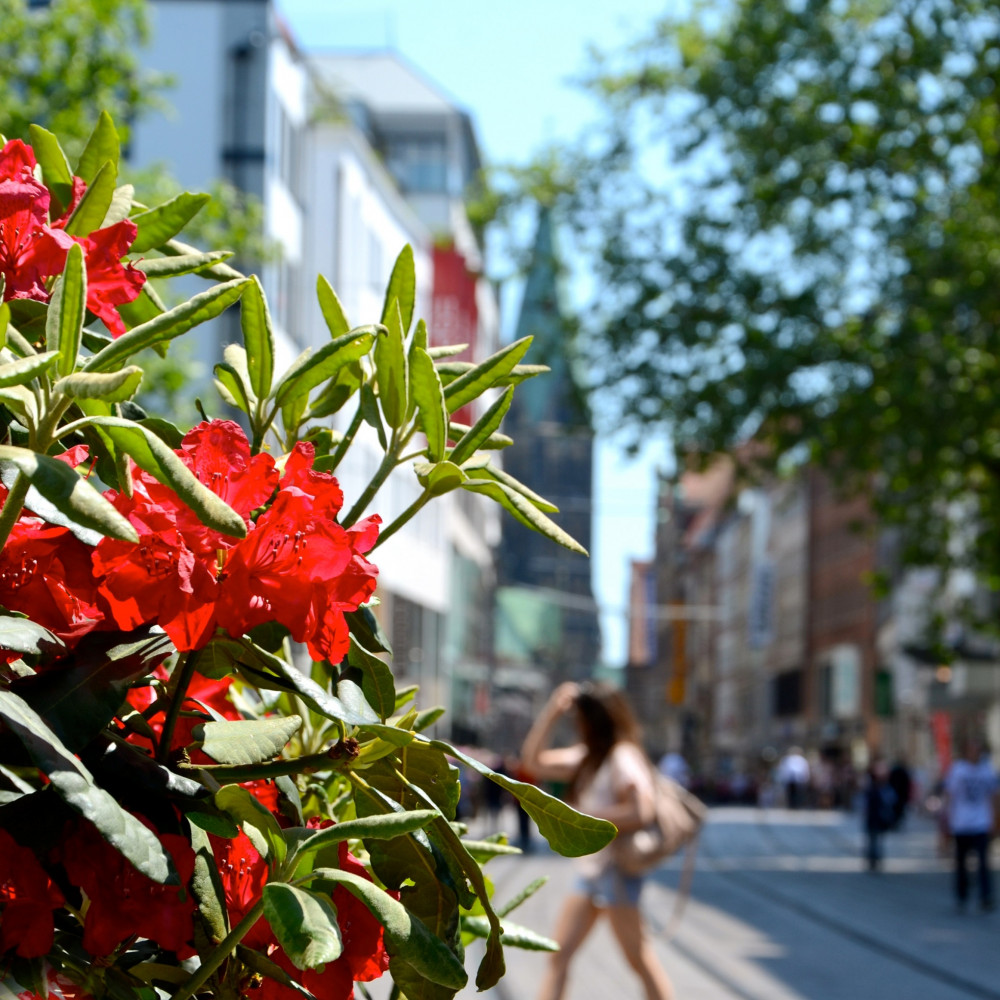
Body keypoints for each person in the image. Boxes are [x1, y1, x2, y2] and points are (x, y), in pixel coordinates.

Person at [520, 681, 675, 1000]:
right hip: (592, 874)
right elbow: (532, 761)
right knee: (559, 956)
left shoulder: (622, 756)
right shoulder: (590, 757)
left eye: (581, 719)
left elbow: (641, 810)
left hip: (616, 873)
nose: (577, 724)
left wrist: (586, 816)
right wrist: (552, 711)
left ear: (596, 722)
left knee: (639, 959)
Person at [944, 737, 998, 912]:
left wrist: (995, 821)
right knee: (961, 863)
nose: (975, 753)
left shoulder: (987, 770)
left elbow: (994, 797)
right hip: (961, 823)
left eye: (978, 749)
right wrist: (947, 821)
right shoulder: (958, 770)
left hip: (981, 822)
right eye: (972, 749)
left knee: (983, 863)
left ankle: (985, 897)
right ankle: (961, 896)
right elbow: (950, 796)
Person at [862, 757, 896, 872]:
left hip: (879, 816)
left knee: (877, 838)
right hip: (872, 816)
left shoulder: (885, 786)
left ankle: (876, 858)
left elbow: (891, 799)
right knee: (873, 838)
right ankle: (872, 859)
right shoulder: (871, 785)